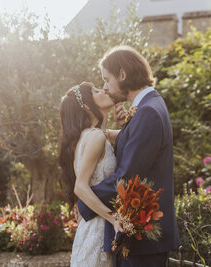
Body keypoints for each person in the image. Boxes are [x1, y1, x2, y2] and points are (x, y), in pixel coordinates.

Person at [77, 46, 181, 267]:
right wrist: (110, 133)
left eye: (107, 79)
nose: (105, 87)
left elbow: (127, 178)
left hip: (143, 241)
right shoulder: (148, 106)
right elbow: (135, 147)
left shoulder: (148, 113)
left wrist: (84, 202)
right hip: (138, 238)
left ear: (122, 75)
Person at [58, 81, 121, 266]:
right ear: (86, 106)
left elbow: (130, 134)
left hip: (93, 227)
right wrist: (114, 218)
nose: (104, 90)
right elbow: (80, 186)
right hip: (98, 228)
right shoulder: (96, 137)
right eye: (95, 91)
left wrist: (121, 123)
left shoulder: (95, 134)